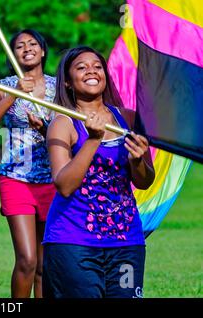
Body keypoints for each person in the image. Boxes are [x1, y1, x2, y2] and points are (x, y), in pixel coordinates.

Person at [42, 46, 155, 298]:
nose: (91, 71)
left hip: (127, 242)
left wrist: (137, 161)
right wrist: (93, 140)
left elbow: (145, 180)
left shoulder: (129, 118)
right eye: (81, 67)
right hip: (73, 241)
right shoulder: (62, 124)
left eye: (97, 66)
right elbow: (64, 185)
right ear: (68, 83)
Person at [0, 29, 57, 298]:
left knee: (45, 265)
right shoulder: (1, 86)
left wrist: (46, 127)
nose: (27, 48)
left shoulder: (60, 87)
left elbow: (71, 128)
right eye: (20, 46)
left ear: (43, 50)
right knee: (27, 260)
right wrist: (13, 94)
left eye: (33, 43)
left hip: (54, 179)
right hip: (16, 178)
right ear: (13, 54)